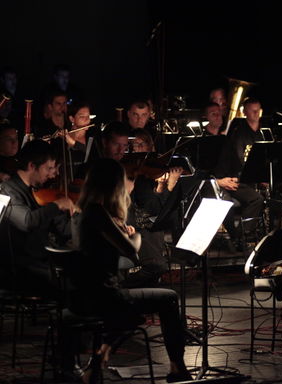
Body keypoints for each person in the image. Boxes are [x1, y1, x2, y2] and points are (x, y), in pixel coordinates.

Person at [68, 158, 191, 382]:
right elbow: (132, 251)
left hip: (82, 295)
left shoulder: (81, 212)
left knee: (135, 312)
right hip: (106, 296)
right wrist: (133, 235)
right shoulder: (98, 213)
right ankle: (177, 367)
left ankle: (99, 360)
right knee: (169, 298)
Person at [0, 140, 74, 298]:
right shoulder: (8, 191)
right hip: (22, 270)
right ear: (32, 166)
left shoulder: (40, 193)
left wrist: (82, 217)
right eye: (48, 168)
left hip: (44, 262)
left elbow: (63, 230)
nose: (52, 174)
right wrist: (57, 205)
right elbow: (27, 222)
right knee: (76, 285)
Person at [123, 128, 182, 288]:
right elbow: (152, 208)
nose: (135, 149)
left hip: (147, 225)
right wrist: (167, 187)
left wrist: (162, 188)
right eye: (132, 145)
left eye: (140, 145)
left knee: (158, 265)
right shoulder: (137, 176)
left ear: (150, 148)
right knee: (157, 266)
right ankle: (124, 286)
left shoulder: (148, 174)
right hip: (137, 226)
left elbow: (156, 208)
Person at [213, 97, 265, 244]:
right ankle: (241, 236)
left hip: (254, 178)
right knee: (255, 199)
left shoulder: (263, 132)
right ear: (245, 112)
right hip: (236, 179)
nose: (256, 113)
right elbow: (239, 160)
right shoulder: (237, 133)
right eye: (252, 110)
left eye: (258, 110)